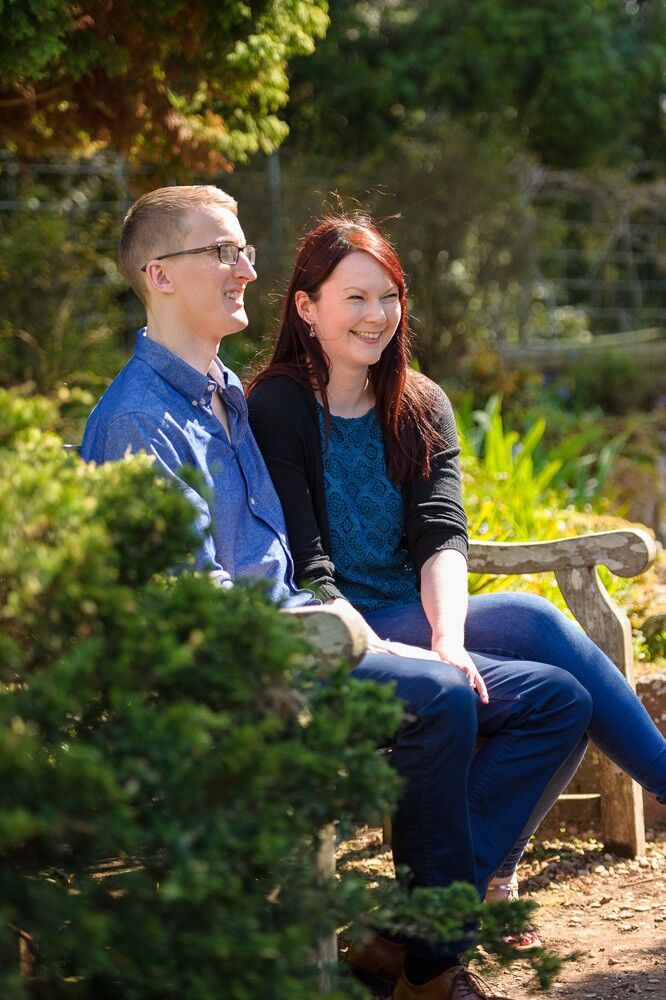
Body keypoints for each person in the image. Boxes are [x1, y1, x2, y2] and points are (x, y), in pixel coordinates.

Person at [81, 187, 593, 1000]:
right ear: (159, 275)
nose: (245, 268)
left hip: (308, 639)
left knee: (557, 701)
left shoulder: (224, 397)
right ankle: (432, 968)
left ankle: (401, 937)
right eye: (221, 252)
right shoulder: (143, 420)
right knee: (441, 697)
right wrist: (345, 633)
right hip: (250, 674)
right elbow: (187, 600)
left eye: (244, 249)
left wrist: (343, 620)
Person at [246, 213, 666, 992]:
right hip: (330, 625)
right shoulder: (275, 408)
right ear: (306, 307)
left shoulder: (421, 401)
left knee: (550, 663)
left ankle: (408, 933)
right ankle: (424, 942)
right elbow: (306, 560)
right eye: (355, 298)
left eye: (389, 297)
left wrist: (445, 638)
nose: (377, 316)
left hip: (410, 613)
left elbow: (443, 535)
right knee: (546, 654)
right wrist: (396, 644)